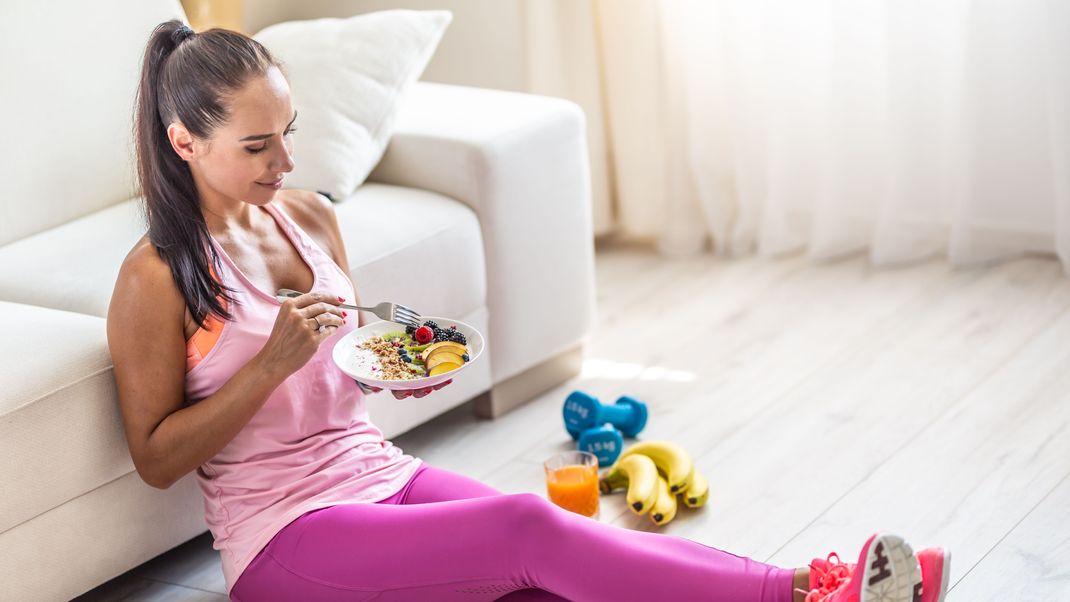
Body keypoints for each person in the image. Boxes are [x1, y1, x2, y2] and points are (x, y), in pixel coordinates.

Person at [106, 20, 951, 602]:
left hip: (377, 473)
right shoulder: (157, 276)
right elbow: (153, 459)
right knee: (526, 528)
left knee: (555, 570)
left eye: (289, 131)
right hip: (281, 535)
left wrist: (389, 365)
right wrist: (267, 369)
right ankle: (808, 590)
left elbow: (348, 360)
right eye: (258, 146)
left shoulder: (312, 217)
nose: (286, 160)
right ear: (185, 142)